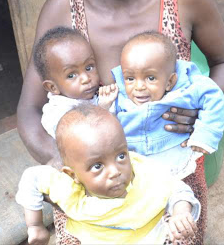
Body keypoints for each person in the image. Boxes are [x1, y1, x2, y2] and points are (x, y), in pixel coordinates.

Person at [17, 0, 224, 244]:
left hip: (173, 172)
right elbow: (28, 110)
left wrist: (200, 106)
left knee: (179, 236)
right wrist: (63, 163)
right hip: (95, 187)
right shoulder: (62, 9)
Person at [16, 105, 200, 244]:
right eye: (97, 166)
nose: (115, 171)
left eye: (121, 155)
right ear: (73, 175)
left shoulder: (143, 172)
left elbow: (177, 188)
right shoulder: (69, 190)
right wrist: (35, 225)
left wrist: (180, 212)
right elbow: (31, 178)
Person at [100, 32, 224, 179]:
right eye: (130, 78)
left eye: (150, 78)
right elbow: (104, 122)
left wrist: (205, 134)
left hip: (174, 159)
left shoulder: (185, 89)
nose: (139, 86)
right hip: (135, 166)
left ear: (170, 81)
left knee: (178, 197)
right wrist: (104, 105)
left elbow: (213, 96)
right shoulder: (120, 96)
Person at [33, 26, 117, 138]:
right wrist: (103, 109)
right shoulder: (57, 113)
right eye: (71, 75)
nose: (86, 78)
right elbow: (83, 138)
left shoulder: (96, 95)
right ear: (53, 87)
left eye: (89, 67)